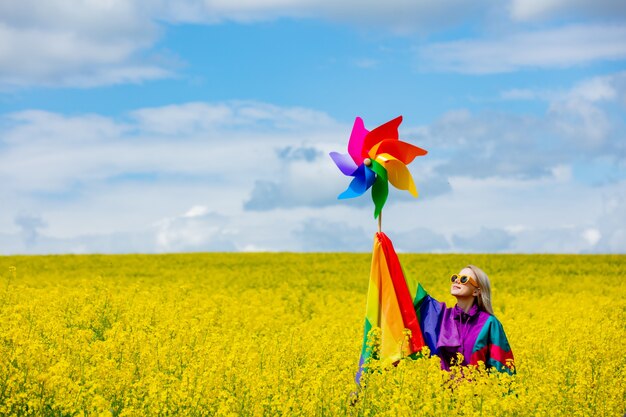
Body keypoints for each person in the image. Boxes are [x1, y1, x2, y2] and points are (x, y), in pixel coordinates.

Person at [413, 265, 515, 374]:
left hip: (478, 390)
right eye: (455, 278)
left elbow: (502, 369)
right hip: (442, 389)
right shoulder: (441, 316)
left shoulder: (489, 323)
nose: (457, 280)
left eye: (464, 279)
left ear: (476, 291)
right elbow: (413, 296)